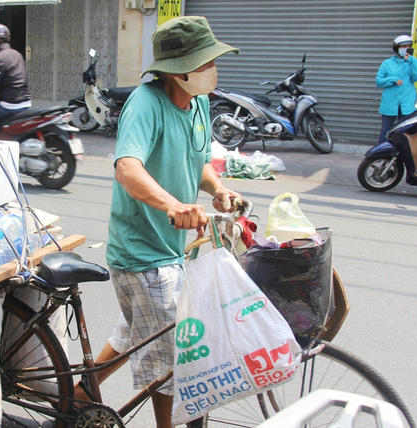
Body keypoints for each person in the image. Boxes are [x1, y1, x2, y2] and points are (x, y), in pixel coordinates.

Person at [93, 16, 242, 427]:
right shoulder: (146, 103)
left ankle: (75, 397)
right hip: (142, 253)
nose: (214, 69)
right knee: (174, 364)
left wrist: (218, 189)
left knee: (135, 332)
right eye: (206, 62)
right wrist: (174, 206)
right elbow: (127, 168)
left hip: (175, 252)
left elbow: (199, 160)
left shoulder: (198, 102)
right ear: (179, 70)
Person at [376, 35, 417, 148]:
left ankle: (405, 155)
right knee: (386, 129)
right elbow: (379, 81)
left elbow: (416, 78)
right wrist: (393, 79)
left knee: (406, 130)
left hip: (407, 102)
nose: (406, 49)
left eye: (408, 46)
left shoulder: (413, 62)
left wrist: (411, 61)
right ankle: (381, 153)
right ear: (396, 48)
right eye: (403, 46)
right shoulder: (387, 63)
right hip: (390, 102)